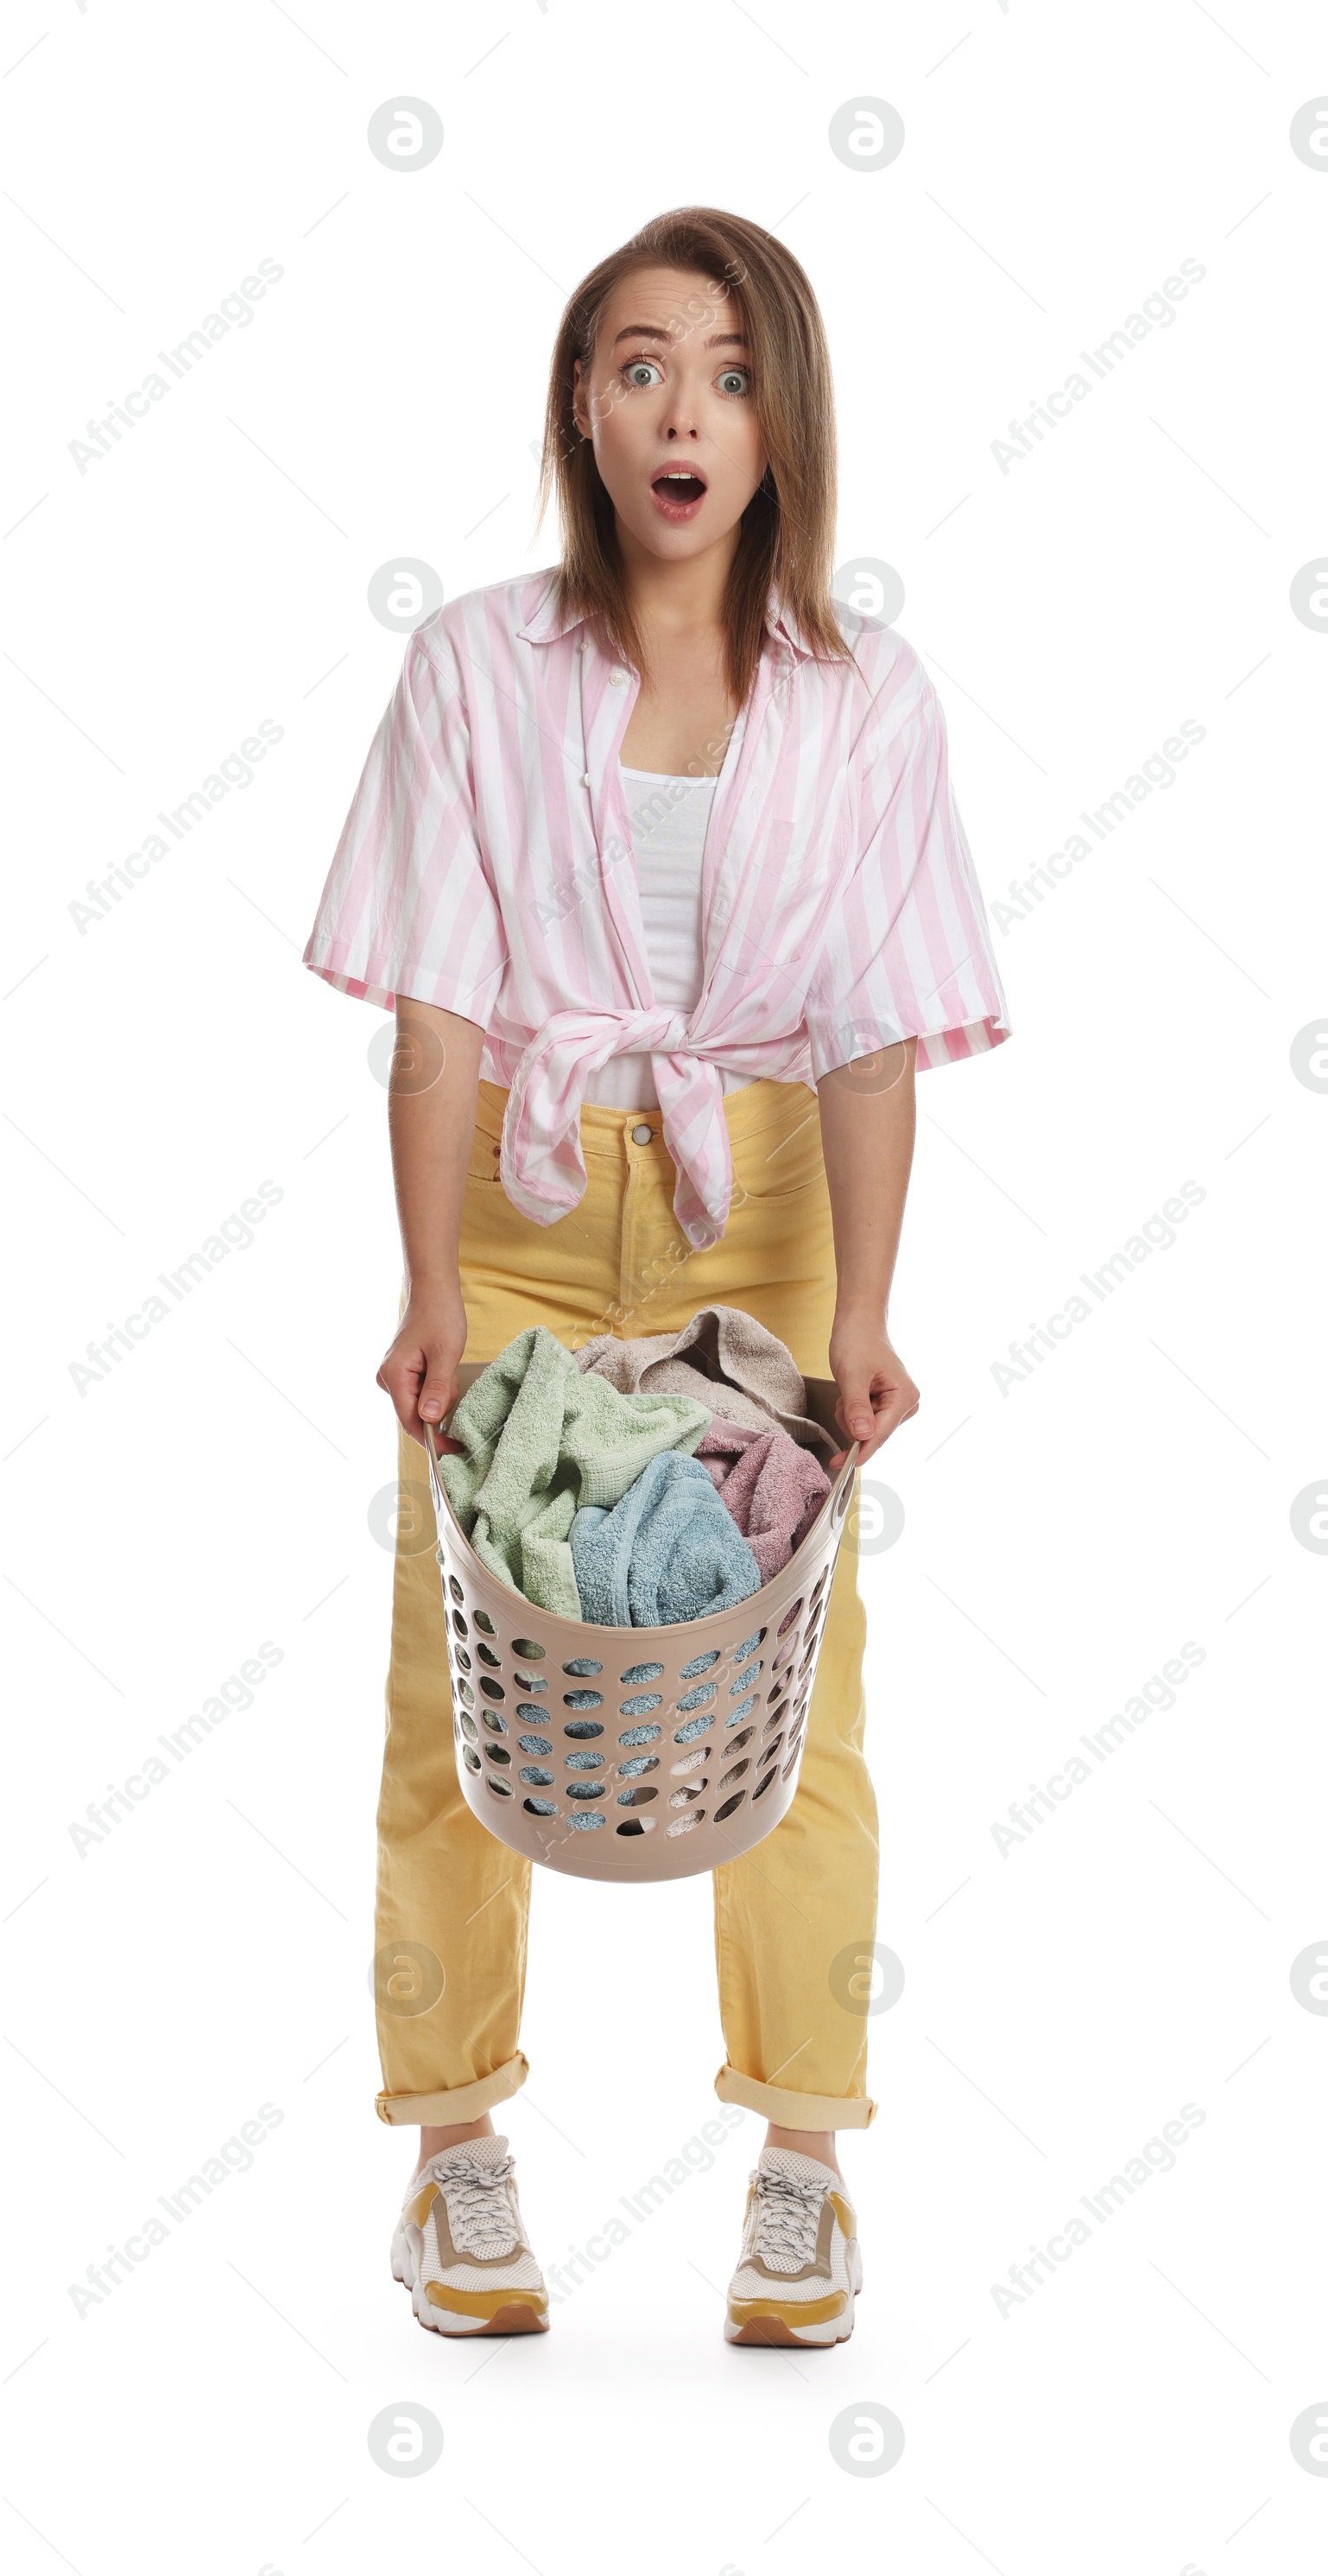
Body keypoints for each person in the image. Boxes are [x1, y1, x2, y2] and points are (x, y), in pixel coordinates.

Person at [301, 205, 1010, 2345]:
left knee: (797, 1691)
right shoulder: (474, 665)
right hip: (519, 1194)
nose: (677, 408)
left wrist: (863, 1313)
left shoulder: (863, 694)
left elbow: (876, 1026)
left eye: (720, 368)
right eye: (634, 363)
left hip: (767, 1205)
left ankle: (801, 2161)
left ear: (779, 418)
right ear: (581, 410)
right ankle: (453, 2151)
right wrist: (430, 1290)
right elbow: (434, 1010)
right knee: (471, 1669)